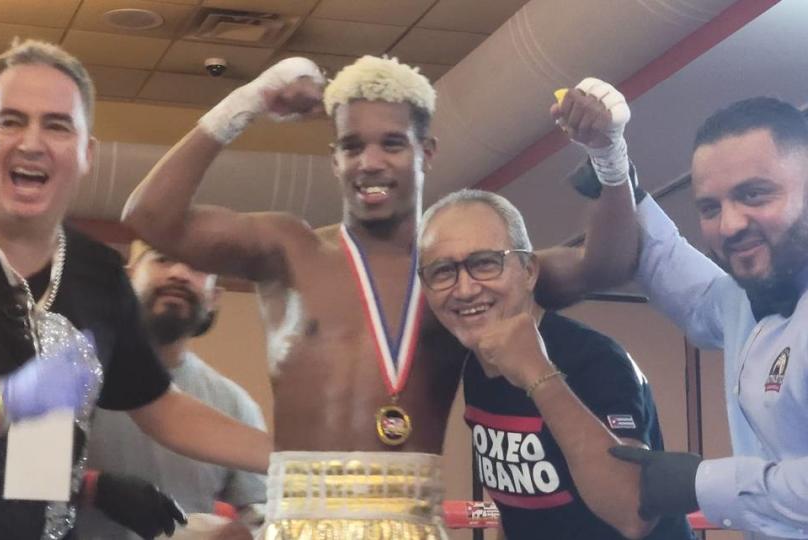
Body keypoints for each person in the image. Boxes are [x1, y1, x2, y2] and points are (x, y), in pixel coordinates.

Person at [122, 53, 639, 539]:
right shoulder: (287, 248)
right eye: (352, 146)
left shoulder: (464, 274)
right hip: (296, 520)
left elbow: (605, 264)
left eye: (391, 144)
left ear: (426, 152)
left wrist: (608, 156)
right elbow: (149, 218)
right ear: (335, 159)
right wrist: (247, 101)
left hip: (411, 519)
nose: (370, 162)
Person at [0, 39, 270, 540]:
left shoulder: (99, 273)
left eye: (56, 124)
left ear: (87, 152)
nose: (31, 142)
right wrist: (1, 400)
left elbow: (163, 409)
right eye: (11, 121)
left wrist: (301, 456)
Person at [571, 96, 808, 539]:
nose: (731, 225)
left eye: (754, 194)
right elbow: (689, 287)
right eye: (710, 208)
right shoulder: (747, 296)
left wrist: (700, 483)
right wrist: (614, 168)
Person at [416, 189, 693, 540]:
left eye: (485, 263)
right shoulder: (477, 366)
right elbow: (517, 507)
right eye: (443, 271)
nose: (466, 289)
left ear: (529, 270)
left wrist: (539, 375)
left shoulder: (597, 360)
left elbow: (632, 512)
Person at [78, 241, 265, 540]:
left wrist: (246, 531)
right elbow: (12, 474)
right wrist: (93, 488)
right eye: (163, 259)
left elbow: (260, 510)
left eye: (198, 266)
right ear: (127, 279)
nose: (180, 273)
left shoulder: (235, 405)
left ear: (215, 297)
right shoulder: (75, 376)